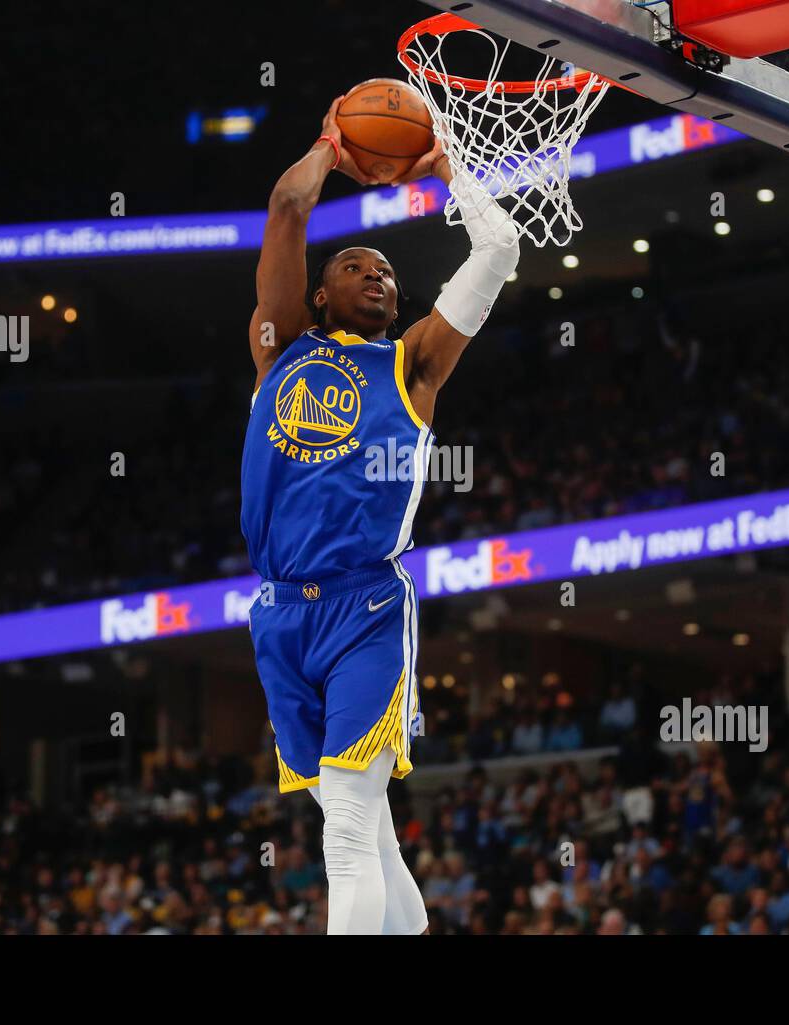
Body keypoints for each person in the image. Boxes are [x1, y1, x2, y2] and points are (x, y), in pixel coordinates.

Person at [239, 96, 520, 935]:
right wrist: (333, 143)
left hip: (364, 604)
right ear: (320, 296)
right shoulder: (280, 346)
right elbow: (288, 207)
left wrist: (446, 170)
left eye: (389, 273)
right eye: (358, 267)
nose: (379, 276)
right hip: (279, 611)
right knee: (370, 832)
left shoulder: (416, 365)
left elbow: (499, 246)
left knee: (350, 827)